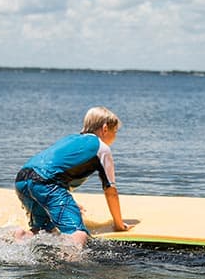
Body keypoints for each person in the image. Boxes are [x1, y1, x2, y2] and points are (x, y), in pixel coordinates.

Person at [14, 106, 130, 247]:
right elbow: (111, 191)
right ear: (105, 128)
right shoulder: (102, 148)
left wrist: (69, 202)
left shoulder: (71, 139)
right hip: (45, 183)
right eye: (115, 131)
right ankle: (69, 266)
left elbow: (58, 170)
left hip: (22, 179)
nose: (115, 136)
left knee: (45, 231)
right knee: (78, 233)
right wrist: (118, 224)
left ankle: (22, 236)